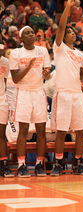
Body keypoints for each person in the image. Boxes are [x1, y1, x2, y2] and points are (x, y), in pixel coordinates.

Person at [50, 0, 83, 176]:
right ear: (63, 36)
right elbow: (62, 26)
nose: (72, 34)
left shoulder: (80, 54)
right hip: (63, 93)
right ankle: (58, 163)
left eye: (74, 33)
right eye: (69, 32)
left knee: (80, 131)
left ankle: (78, 162)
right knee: (61, 131)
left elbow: (81, 77)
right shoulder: (59, 48)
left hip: (76, 94)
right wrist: (68, 7)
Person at [9, 26, 51, 177]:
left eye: (32, 32)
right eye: (27, 33)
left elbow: (47, 75)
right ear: (21, 38)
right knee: (23, 131)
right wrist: (28, 67)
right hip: (23, 92)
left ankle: (40, 164)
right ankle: (21, 166)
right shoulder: (16, 53)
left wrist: (46, 74)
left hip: (39, 91)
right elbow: (15, 78)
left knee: (41, 130)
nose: (31, 35)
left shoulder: (43, 51)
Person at [0, 41, 14, 178]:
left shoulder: (5, 62)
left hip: (1, 100)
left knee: (1, 134)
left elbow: (4, 81)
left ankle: (4, 165)